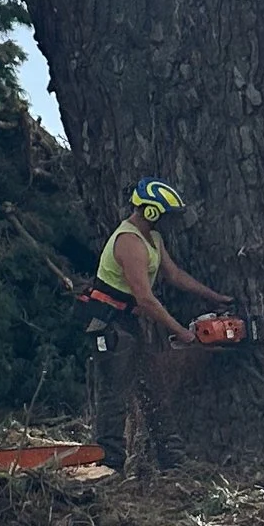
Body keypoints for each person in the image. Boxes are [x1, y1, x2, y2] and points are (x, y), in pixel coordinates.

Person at [85, 181, 233, 470]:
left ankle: (172, 458)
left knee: (152, 387)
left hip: (128, 322)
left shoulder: (152, 238)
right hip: (110, 322)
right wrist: (182, 332)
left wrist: (215, 297)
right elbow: (146, 299)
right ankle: (108, 462)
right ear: (152, 211)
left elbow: (174, 275)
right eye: (166, 215)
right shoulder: (129, 242)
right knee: (115, 393)